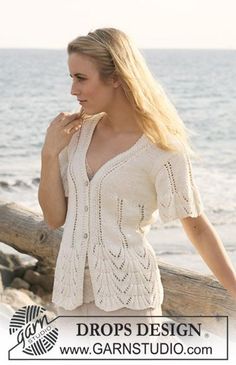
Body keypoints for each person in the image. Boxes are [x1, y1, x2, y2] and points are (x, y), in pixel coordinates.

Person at [38, 28, 236, 346]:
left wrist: (234, 288)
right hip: (68, 299)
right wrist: (49, 154)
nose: (72, 89)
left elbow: (196, 226)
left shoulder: (162, 148)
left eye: (80, 78)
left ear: (115, 77)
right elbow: (54, 217)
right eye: (71, 77)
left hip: (129, 303)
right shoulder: (74, 134)